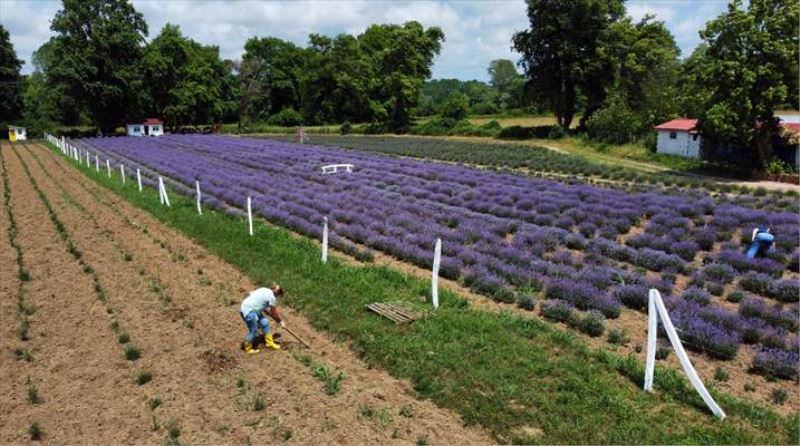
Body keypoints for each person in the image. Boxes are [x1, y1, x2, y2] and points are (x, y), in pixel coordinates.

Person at [240, 284, 285, 354]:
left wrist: (261, 306)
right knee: (253, 330)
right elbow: (274, 312)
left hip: (248, 307)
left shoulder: (264, 289)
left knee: (264, 323)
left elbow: (251, 293)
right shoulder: (272, 297)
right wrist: (280, 321)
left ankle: (269, 343)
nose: (277, 296)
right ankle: (247, 348)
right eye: (278, 295)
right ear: (277, 293)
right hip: (249, 311)